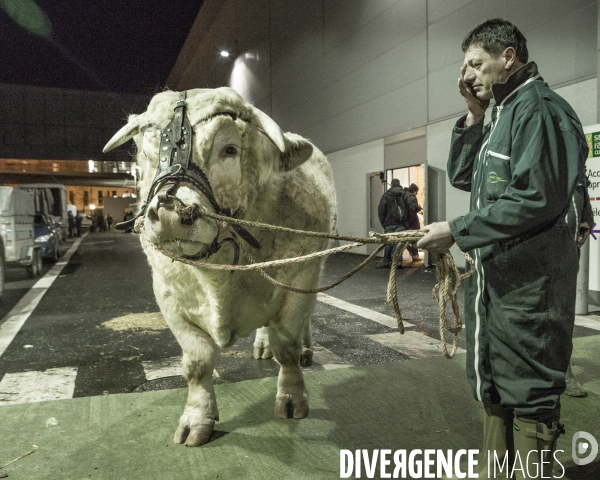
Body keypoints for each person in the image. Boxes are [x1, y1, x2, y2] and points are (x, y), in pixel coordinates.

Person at [416, 19, 588, 478]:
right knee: (495, 388)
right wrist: (473, 115)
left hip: (530, 294)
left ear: (507, 57)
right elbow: (463, 176)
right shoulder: (503, 115)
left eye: (475, 64)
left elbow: (535, 197)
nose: (465, 75)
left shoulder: (541, 110)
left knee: (528, 391)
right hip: (500, 290)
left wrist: (456, 229)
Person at [377, 178, 406, 268]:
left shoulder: (386, 195)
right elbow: (409, 209)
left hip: (389, 223)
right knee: (398, 242)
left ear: (392, 184)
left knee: (388, 243)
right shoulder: (404, 194)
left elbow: (381, 210)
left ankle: (386, 261)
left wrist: (384, 223)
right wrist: (406, 222)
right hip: (401, 223)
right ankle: (397, 262)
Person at [403, 183, 422, 262]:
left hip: (405, 220)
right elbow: (413, 208)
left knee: (405, 239)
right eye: (416, 191)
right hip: (412, 220)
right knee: (414, 238)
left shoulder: (403, 195)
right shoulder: (411, 197)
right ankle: (415, 255)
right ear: (414, 191)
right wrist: (419, 207)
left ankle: (411, 252)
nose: (416, 193)